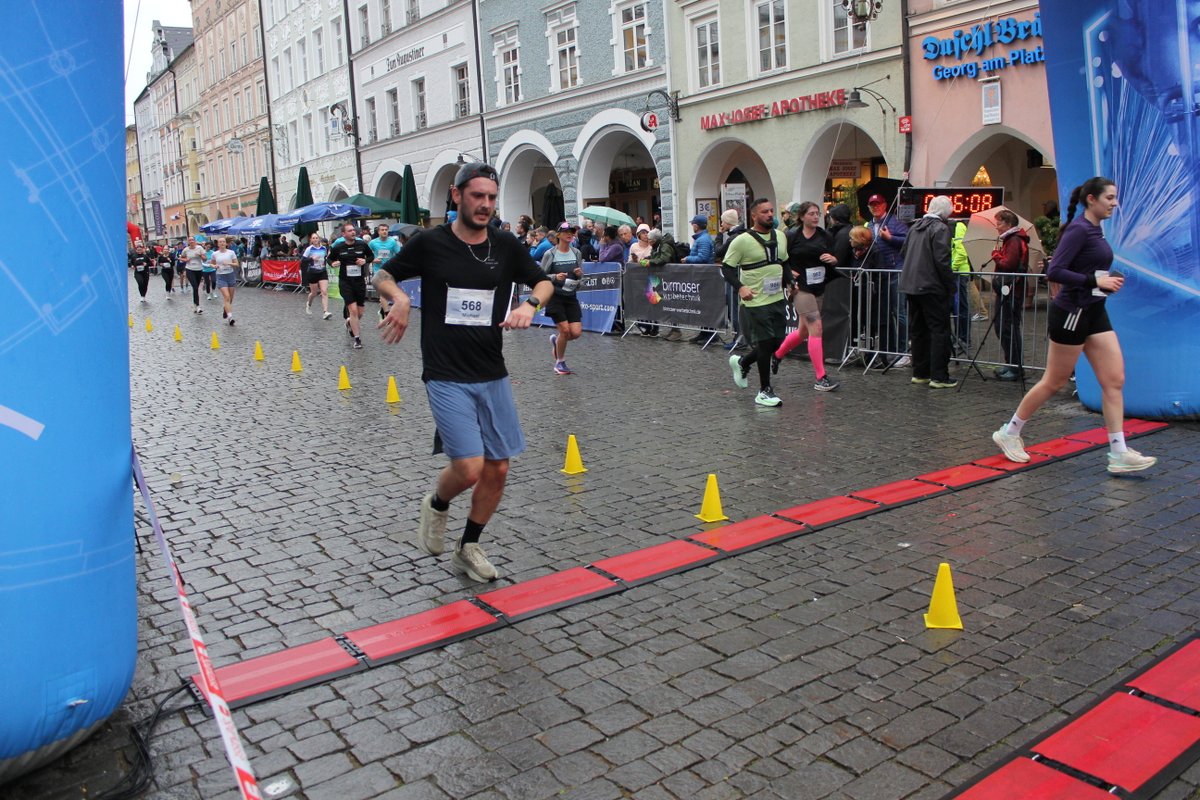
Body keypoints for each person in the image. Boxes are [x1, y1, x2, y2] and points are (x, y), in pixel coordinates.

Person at [373, 161, 555, 582]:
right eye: (477, 196)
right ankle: (437, 503)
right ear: (456, 196)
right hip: (445, 372)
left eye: (491, 197)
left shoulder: (505, 244)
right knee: (470, 467)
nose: (486, 204)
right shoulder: (430, 242)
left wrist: (530, 305)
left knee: (499, 468)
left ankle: (468, 546)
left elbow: (543, 282)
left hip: (492, 370)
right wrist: (400, 297)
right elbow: (383, 274)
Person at [992, 177, 1155, 474]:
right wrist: (1095, 281)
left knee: (1114, 380)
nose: (1115, 203)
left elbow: (1089, 268)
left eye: (1115, 197)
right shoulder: (1079, 229)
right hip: (1071, 313)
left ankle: (1119, 452)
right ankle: (1010, 432)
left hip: (1094, 311)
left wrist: (1104, 281)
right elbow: (1055, 271)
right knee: (1054, 381)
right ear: (1092, 199)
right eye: (1109, 198)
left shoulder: (1095, 229)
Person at [722, 198, 791, 407]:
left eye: (771, 211)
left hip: (776, 298)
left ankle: (743, 362)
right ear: (754, 216)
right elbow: (727, 268)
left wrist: (790, 282)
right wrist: (741, 287)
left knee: (777, 342)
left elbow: (785, 262)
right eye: (764, 212)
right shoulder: (741, 241)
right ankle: (764, 390)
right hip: (754, 301)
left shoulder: (780, 236)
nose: (770, 214)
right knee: (765, 342)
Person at [774, 201, 841, 391]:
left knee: (804, 331)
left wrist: (833, 259)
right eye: (811, 213)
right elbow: (781, 259)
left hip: (818, 286)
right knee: (816, 326)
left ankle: (777, 355)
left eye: (817, 213)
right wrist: (789, 273)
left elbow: (836, 257)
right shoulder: (792, 236)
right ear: (802, 216)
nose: (815, 217)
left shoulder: (825, 235)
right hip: (799, 287)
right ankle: (821, 377)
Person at [899, 195, 957, 388]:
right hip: (932, 286)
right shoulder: (940, 228)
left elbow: (904, 252)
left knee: (918, 330)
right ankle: (939, 376)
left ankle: (920, 372)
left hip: (911, 285)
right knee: (939, 331)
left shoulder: (914, 227)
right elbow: (942, 260)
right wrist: (950, 285)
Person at [866, 194, 909, 364]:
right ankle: (892, 348)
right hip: (880, 275)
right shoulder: (869, 225)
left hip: (896, 272)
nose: (875, 207)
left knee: (899, 312)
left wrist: (890, 238)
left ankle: (904, 352)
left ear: (885, 205)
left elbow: (907, 241)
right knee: (887, 313)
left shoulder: (895, 221)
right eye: (872, 204)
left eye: (878, 204)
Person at [990, 210, 1031, 380]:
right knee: (1004, 327)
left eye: (999, 223)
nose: (997, 226)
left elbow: (1009, 264)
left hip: (1012, 290)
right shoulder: (1012, 239)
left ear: (1008, 224)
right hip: (1010, 289)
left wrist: (996, 256)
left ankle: (1015, 367)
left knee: (1008, 327)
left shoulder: (1014, 240)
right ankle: (1011, 363)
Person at [541, 222, 584, 374]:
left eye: (571, 231)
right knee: (565, 331)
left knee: (576, 333)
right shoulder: (550, 254)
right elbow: (540, 276)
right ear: (558, 235)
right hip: (555, 297)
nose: (569, 234)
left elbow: (581, 276)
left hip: (571, 296)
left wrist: (579, 275)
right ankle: (560, 362)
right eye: (566, 231)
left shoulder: (576, 252)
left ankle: (557, 341)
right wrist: (555, 276)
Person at [329, 221, 374, 349]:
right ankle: (357, 339)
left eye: (353, 230)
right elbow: (329, 259)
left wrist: (365, 260)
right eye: (350, 231)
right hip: (345, 282)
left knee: (360, 312)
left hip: (359, 282)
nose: (353, 232)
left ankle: (349, 322)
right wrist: (332, 263)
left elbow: (371, 256)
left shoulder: (362, 244)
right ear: (343, 234)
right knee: (353, 310)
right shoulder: (338, 247)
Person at [820, 204, 854, 362]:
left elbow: (838, 258)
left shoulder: (843, 234)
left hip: (840, 280)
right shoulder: (843, 231)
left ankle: (838, 350)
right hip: (841, 278)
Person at [714, 208, 747, 351]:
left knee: (734, 309)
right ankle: (739, 337)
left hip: (734, 276)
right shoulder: (741, 234)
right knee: (735, 308)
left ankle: (739, 339)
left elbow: (719, 251)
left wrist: (719, 235)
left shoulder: (733, 237)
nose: (721, 224)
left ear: (728, 222)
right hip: (738, 275)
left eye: (722, 221)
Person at [370, 224, 402, 321]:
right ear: (378, 232)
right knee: (383, 293)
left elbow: (399, 254)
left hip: (390, 270)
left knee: (390, 294)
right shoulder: (372, 243)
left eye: (386, 230)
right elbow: (367, 256)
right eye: (382, 230)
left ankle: (382, 311)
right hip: (378, 271)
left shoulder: (392, 242)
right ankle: (387, 314)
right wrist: (373, 260)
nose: (384, 231)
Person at [301, 232, 333, 319]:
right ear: (311, 240)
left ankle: (325, 312)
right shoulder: (309, 249)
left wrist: (330, 260)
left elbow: (326, 258)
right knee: (314, 293)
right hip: (312, 272)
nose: (315, 239)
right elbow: (303, 261)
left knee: (324, 291)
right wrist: (312, 259)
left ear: (319, 239)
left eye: (316, 238)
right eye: (313, 238)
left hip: (322, 272)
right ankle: (309, 303)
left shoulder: (324, 248)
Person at [211, 237, 240, 326]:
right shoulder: (215, 254)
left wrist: (229, 263)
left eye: (223, 242)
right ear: (218, 244)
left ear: (226, 243)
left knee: (230, 299)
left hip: (230, 275)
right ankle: (230, 317)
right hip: (221, 276)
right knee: (226, 297)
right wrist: (214, 266)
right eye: (220, 242)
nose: (222, 243)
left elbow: (237, 264)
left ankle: (226, 309)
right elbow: (212, 263)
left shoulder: (231, 252)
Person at [180, 236, 207, 313]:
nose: (191, 241)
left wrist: (200, 255)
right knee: (195, 287)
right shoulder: (186, 250)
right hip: (189, 269)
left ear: (195, 241)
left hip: (199, 269)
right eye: (190, 240)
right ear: (188, 242)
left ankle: (195, 304)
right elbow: (181, 258)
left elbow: (205, 259)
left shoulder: (200, 248)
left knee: (196, 287)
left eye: (192, 240)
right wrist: (186, 259)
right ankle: (198, 306)